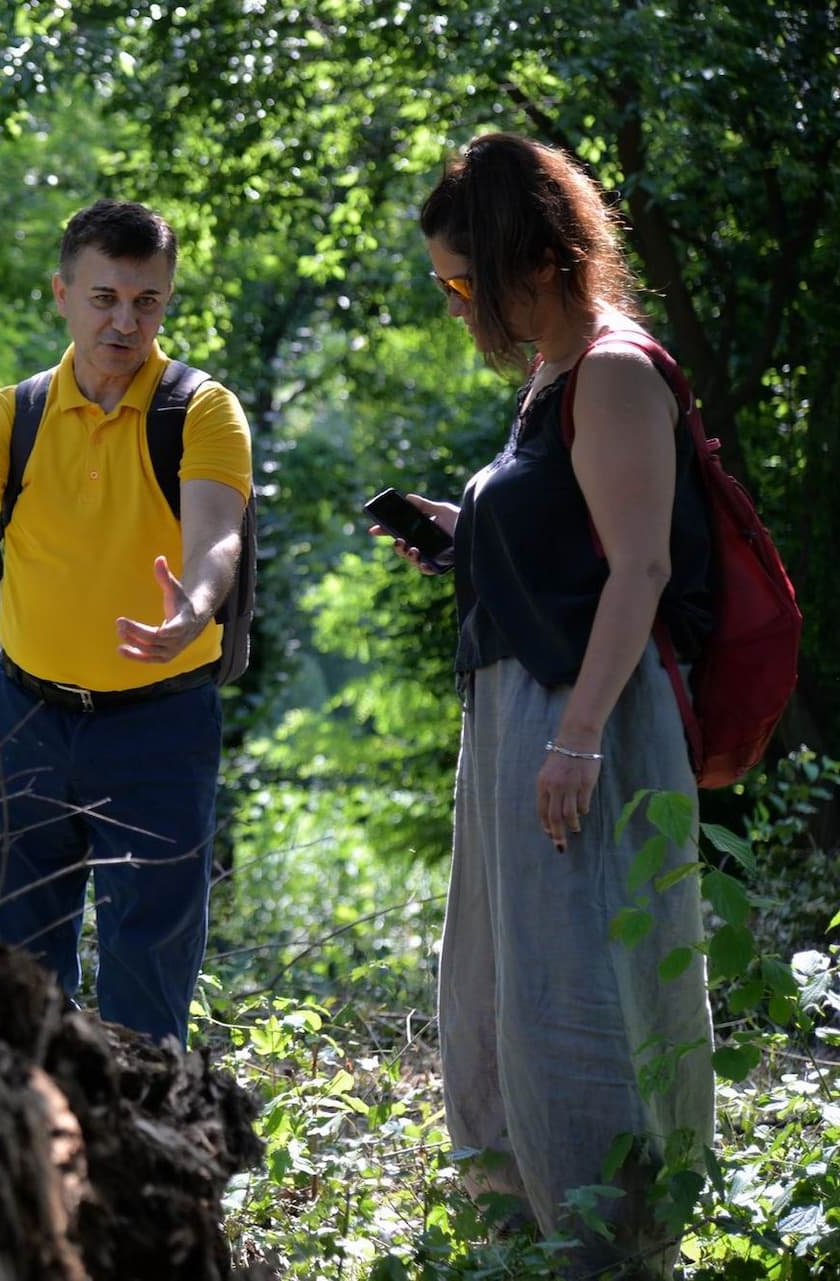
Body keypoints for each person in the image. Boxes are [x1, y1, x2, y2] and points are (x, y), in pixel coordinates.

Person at [380, 133, 714, 1276]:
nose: (458, 303)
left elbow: (640, 571)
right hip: (521, 716)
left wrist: (575, 739)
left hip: (587, 721)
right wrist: (470, 533)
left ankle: (613, 1250)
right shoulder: (551, 378)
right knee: (504, 977)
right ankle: (524, 1237)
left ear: (527, 256)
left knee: (581, 983)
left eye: (462, 280)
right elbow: (570, 546)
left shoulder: (617, 370)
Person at [0, 198, 253, 1048]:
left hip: (160, 724)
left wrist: (194, 605)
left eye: (147, 301)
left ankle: (136, 1159)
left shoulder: (200, 411)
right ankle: (27, 1157)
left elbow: (216, 537)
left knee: (145, 988)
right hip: (25, 720)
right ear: (62, 293)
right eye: (104, 297)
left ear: (166, 301)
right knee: (13, 983)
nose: (125, 320)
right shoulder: (10, 415)